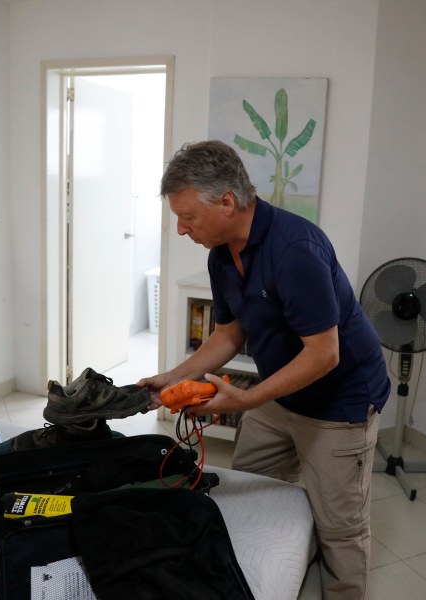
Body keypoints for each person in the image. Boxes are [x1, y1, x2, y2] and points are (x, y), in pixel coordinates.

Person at [138, 140, 390, 600]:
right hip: (281, 396)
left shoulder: (295, 249)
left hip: (341, 402)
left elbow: (324, 354)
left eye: (188, 216)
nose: (179, 229)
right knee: (248, 487)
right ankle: (273, 570)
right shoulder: (220, 256)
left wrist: (249, 399)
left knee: (341, 526)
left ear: (227, 202)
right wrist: (173, 377)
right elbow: (229, 335)